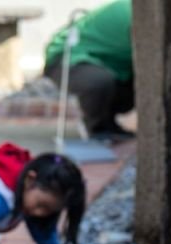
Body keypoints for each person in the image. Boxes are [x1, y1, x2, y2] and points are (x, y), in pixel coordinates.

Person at [43, 0, 134, 142]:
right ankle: (98, 129)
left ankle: (108, 122)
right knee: (99, 82)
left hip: (109, 62)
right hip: (67, 57)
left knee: (135, 85)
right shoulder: (135, 13)